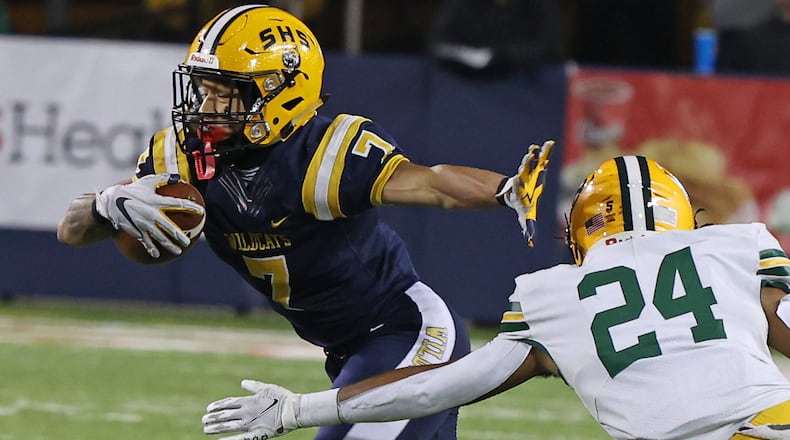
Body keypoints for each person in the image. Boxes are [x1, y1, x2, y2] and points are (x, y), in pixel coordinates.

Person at [56, 4, 554, 440]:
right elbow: (71, 232)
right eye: (203, 89)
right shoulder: (180, 157)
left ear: (281, 94)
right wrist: (105, 204)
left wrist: (503, 189)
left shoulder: (321, 157)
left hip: (407, 334)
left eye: (225, 92)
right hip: (347, 350)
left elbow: (430, 183)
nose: (205, 107)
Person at [200, 155, 790, 440]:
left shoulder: (552, 295)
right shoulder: (736, 246)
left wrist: (301, 409)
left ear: (580, 229)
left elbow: (436, 385)